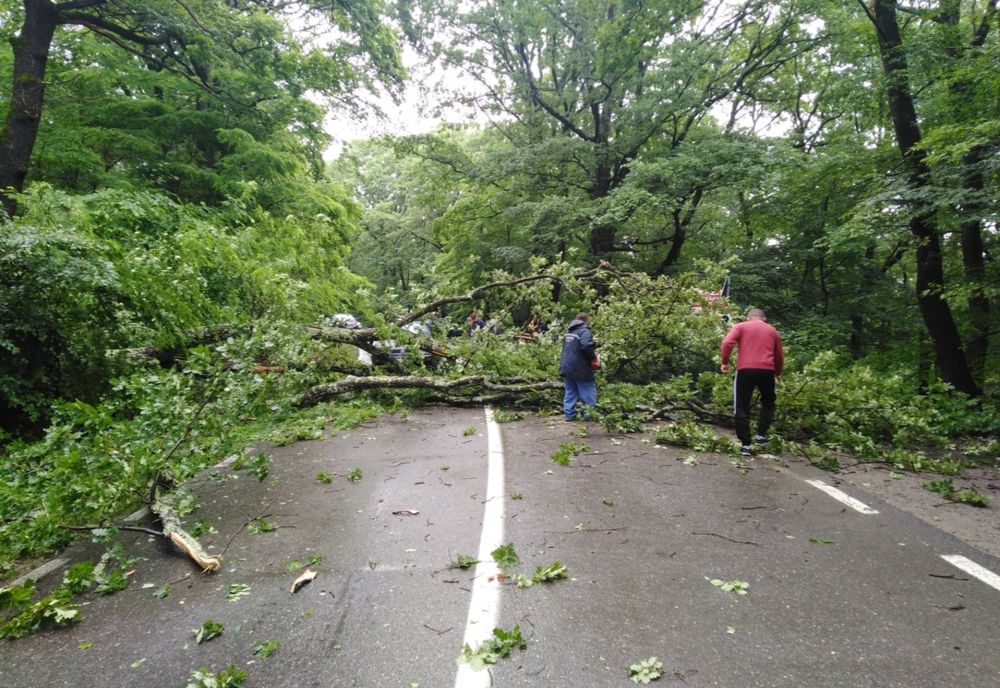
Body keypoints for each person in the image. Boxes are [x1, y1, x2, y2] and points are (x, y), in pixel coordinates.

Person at [720, 308, 784, 457]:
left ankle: (746, 445)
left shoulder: (741, 326)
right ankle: (761, 435)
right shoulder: (772, 330)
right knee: (768, 402)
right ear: (764, 318)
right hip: (767, 371)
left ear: (747, 317)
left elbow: (727, 342)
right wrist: (778, 372)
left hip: (745, 370)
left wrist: (725, 362)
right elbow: (779, 355)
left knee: (741, 405)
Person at [559, 312, 598, 421]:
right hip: (580, 366)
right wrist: (593, 358)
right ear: (586, 320)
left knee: (570, 390)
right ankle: (589, 414)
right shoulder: (584, 331)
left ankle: (569, 414)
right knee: (587, 390)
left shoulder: (569, 332)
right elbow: (586, 346)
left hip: (567, 365)